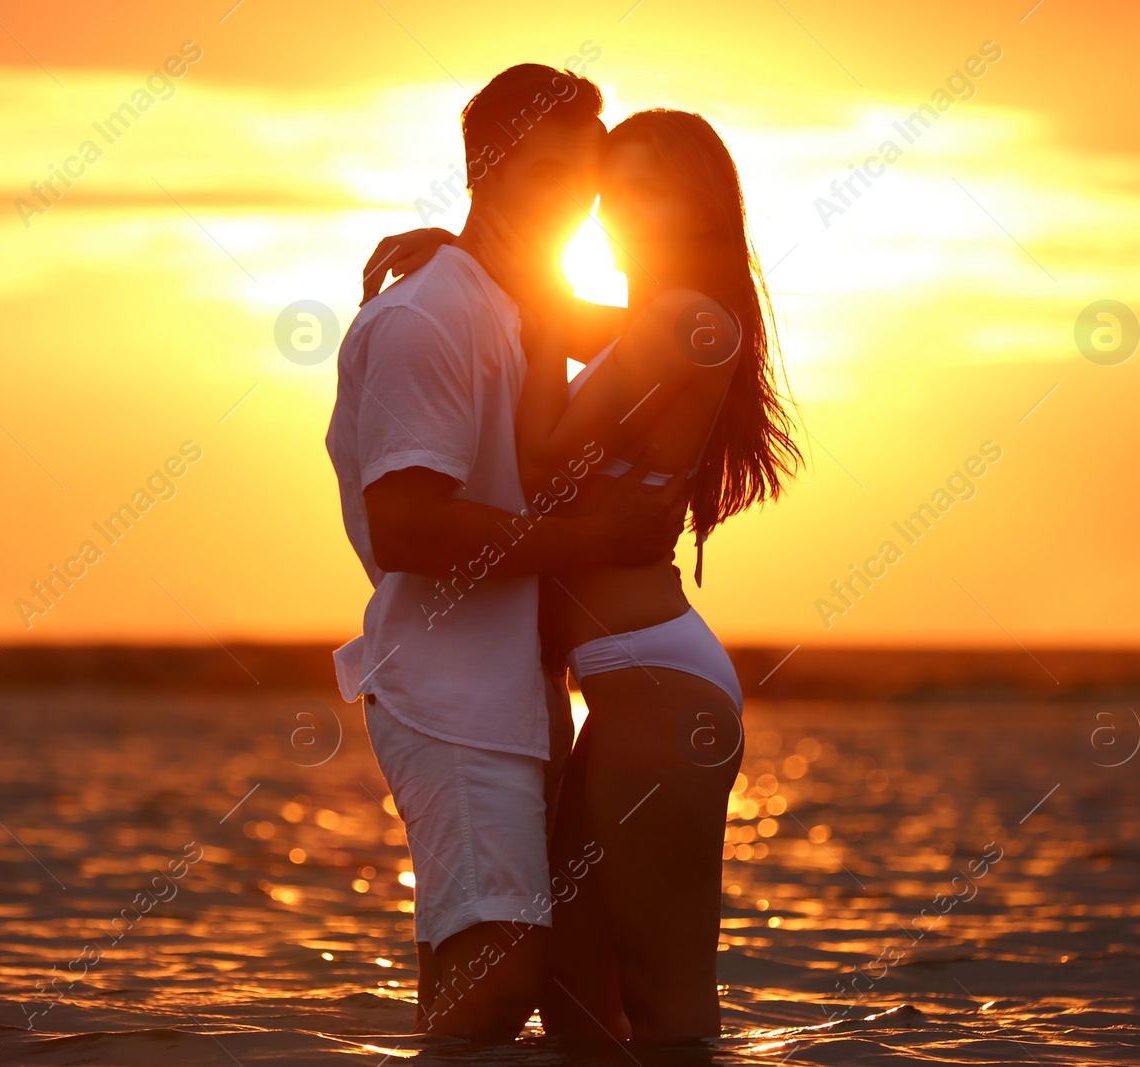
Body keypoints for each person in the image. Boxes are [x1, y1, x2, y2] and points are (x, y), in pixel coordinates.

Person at [361, 108, 802, 1044]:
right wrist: (461, 254)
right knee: (571, 998)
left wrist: (487, 287)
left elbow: (543, 449)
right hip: (626, 687)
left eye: (649, 188)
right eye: (614, 190)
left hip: (653, 681)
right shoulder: (656, 319)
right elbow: (534, 310)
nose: (618, 208)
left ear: (695, 205)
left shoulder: (684, 319)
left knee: (666, 1004)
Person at [324, 64, 690, 1044]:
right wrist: (594, 539)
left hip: (516, 689)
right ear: (483, 168)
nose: (568, 197)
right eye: (542, 172)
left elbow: (670, 345)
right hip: (449, 690)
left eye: (584, 179)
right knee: (500, 972)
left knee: (502, 971)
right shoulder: (426, 318)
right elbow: (407, 526)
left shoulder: (519, 302)